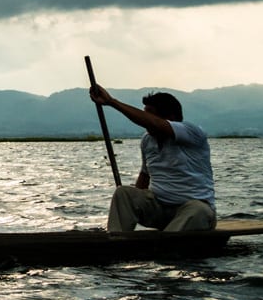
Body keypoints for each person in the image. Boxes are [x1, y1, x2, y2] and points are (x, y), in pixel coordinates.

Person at [89, 84, 215, 232]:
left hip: (192, 211)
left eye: (150, 115)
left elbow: (153, 122)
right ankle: (117, 240)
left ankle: (167, 243)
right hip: (159, 211)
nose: (144, 121)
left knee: (199, 209)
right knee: (123, 193)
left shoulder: (192, 132)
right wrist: (133, 206)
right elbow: (145, 174)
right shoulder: (147, 140)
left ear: (170, 118)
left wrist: (112, 102)